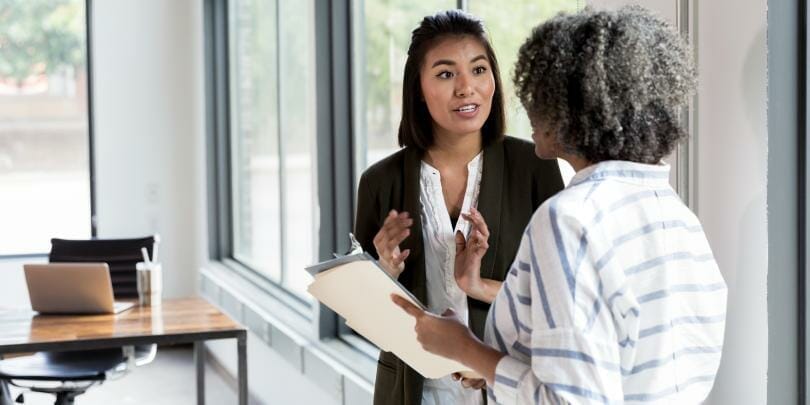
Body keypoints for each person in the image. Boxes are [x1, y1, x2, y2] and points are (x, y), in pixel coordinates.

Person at [392, 6, 727, 404]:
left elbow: (569, 400)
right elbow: (611, 361)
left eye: (540, 93)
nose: (528, 107)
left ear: (574, 109)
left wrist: (465, 348)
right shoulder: (677, 216)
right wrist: (490, 360)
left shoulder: (568, 220)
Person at [354, 9, 564, 405]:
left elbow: (558, 299)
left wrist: (480, 287)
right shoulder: (379, 182)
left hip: (508, 385)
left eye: (479, 70)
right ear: (418, 88)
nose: (467, 88)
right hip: (413, 392)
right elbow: (364, 321)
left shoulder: (534, 167)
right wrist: (384, 274)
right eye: (446, 74)